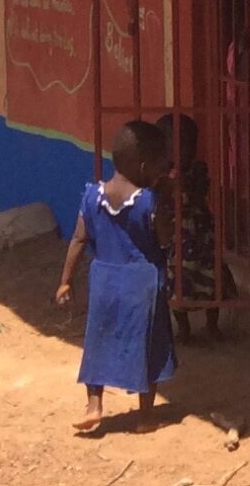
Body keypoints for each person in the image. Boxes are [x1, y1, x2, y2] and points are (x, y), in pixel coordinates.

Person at [56, 119, 176, 434]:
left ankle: (94, 405)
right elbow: (163, 238)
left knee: (98, 341)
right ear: (145, 166)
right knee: (147, 346)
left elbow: (78, 239)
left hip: (104, 282)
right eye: (160, 165)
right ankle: (145, 417)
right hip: (142, 284)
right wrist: (166, 203)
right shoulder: (149, 201)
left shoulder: (92, 196)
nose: (163, 170)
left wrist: (65, 280)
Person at [159, 113, 228, 342]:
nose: (182, 150)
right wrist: (169, 185)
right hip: (176, 236)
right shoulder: (161, 173)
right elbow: (158, 200)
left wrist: (184, 185)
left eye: (188, 144)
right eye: (175, 145)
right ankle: (184, 328)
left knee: (211, 279)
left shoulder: (198, 169)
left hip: (200, 234)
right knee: (178, 283)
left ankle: (212, 325)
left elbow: (200, 196)